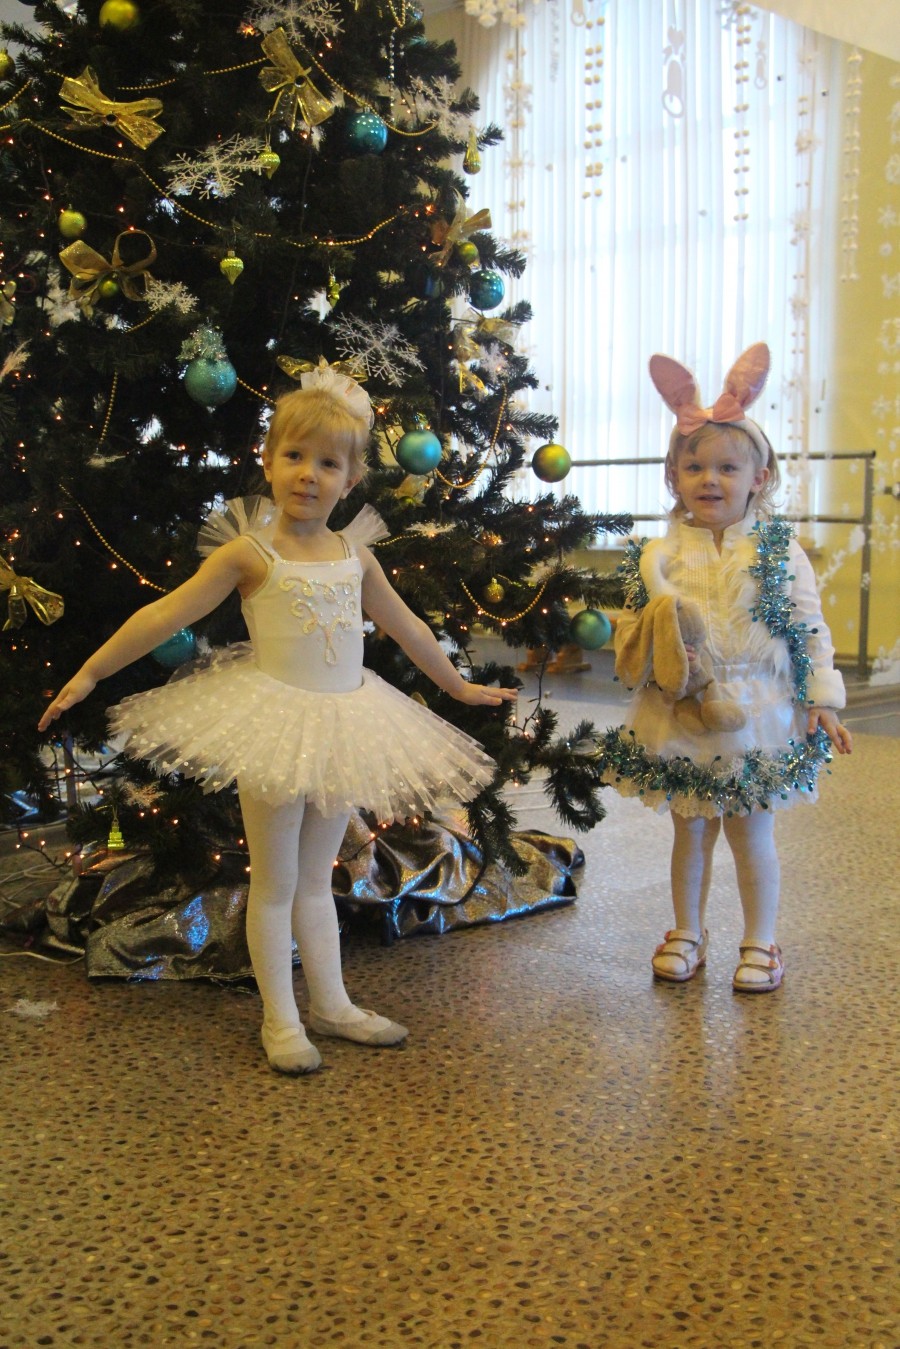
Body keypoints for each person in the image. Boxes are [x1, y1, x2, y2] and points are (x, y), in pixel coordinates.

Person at [39, 361, 517, 1073]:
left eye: (328, 463)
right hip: (273, 725)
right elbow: (164, 614)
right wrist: (90, 672)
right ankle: (281, 1019)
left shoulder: (355, 556)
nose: (308, 475)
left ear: (351, 480)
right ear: (267, 461)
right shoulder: (250, 553)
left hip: (346, 722)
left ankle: (332, 1004)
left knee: (318, 874)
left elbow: (409, 627)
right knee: (275, 879)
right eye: (294, 456)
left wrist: (458, 686)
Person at [595, 343, 852, 992]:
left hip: (758, 709)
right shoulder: (660, 552)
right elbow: (640, 627)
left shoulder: (778, 550)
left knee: (751, 835)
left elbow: (808, 625)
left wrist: (821, 698)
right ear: (673, 477)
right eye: (695, 467)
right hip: (681, 711)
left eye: (727, 468)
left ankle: (760, 939)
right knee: (690, 831)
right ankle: (687, 930)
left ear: (758, 478)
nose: (710, 479)